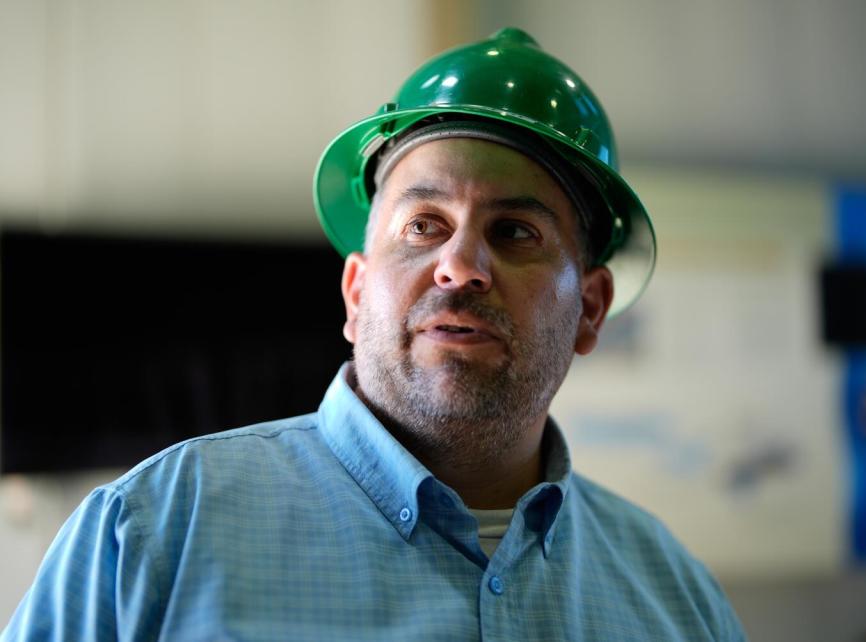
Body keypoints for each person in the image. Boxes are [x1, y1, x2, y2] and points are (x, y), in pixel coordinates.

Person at [3, 29, 745, 641]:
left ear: (589, 309)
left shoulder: (677, 602)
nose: (459, 266)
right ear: (356, 292)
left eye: (515, 231)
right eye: (423, 226)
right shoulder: (149, 536)